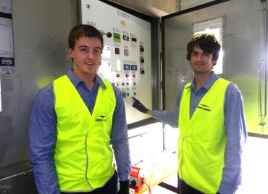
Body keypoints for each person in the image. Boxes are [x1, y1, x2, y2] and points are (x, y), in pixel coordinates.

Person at [132, 33, 247, 194]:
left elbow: (236, 144)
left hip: (213, 186)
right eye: (195, 53)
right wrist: (148, 111)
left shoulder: (229, 92)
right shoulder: (185, 91)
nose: (199, 58)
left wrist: (228, 187)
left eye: (205, 54)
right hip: (185, 179)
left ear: (214, 59)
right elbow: (176, 119)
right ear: (189, 59)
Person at [29, 24, 131, 194]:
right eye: (84, 49)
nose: (91, 56)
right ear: (71, 52)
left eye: (96, 50)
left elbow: (120, 140)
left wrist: (125, 180)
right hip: (68, 189)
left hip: (108, 184)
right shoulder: (49, 95)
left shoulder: (113, 94)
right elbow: (41, 155)